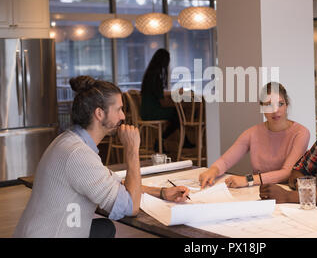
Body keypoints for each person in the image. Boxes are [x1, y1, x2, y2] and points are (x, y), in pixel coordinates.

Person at [14, 76, 189, 238]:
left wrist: (161, 192)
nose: (123, 116)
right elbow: (130, 207)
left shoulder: (70, 140)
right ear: (99, 113)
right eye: (119, 109)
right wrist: (132, 151)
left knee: (105, 227)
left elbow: (114, 182)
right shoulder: (79, 155)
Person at [199, 82, 310, 189]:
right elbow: (225, 161)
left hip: (287, 195)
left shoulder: (301, 133)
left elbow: (286, 173)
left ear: (286, 105)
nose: (275, 110)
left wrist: (248, 180)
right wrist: (213, 170)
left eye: (280, 104)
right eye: (268, 105)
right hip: (258, 191)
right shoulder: (252, 133)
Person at [140, 48, 194, 150]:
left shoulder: (150, 75)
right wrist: (180, 105)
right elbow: (163, 103)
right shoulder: (156, 77)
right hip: (151, 112)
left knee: (176, 115)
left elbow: (159, 98)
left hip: (145, 111)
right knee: (177, 114)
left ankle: (166, 140)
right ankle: (163, 140)